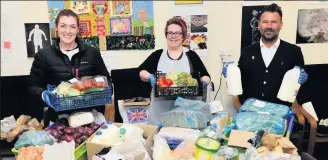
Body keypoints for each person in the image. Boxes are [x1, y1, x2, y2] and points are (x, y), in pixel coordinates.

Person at [27, 9, 111, 126]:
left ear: (77, 29)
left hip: (91, 118)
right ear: (56, 27)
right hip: (58, 121)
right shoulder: (44, 55)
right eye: (63, 26)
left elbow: (107, 80)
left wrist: (98, 89)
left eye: (72, 27)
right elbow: (32, 85)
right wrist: (44, 95)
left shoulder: (92, 53)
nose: (68, 31)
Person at [223, 3, 308, 108]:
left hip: (280, 114)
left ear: (281, 25)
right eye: (265, 22)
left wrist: (303, 79)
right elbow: (239, 79)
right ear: (259, 25)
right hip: (251, 113)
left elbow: (300, 87)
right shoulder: (247, 52)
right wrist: (230, 73)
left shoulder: (294, 51)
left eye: (274, 22)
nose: (269, 26)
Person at [138, 17, 211, 125]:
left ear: (183, 36)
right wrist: (150, 77)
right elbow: (141, 71)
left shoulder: (191, 56)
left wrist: (203, 82)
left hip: (186, 114)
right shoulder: (158, 55)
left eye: (177, 33)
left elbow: (206, 76)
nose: (173, 36)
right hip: (160, 113)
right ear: (166, 35)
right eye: (170, 33)